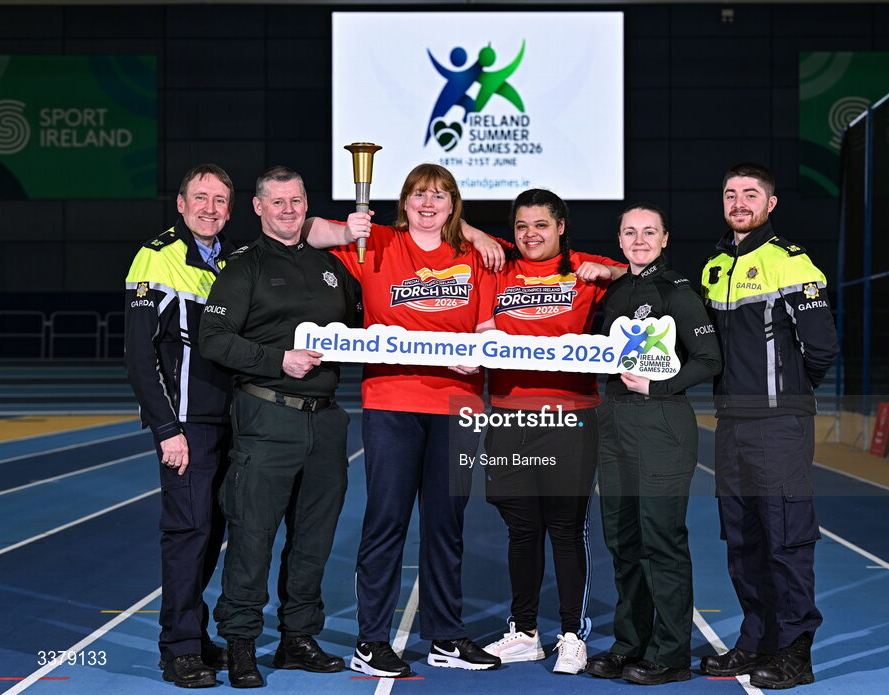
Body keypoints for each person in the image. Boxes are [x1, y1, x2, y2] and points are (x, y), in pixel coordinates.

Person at [304, 164, 501, 677]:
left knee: (446, 525)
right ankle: (372, 641)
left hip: (458, 405)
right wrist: (347, 230)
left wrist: (480, 354)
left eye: (439, 196)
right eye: (419, 194)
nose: (428, 204)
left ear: (454, 204)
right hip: (392, 401)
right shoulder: (376, 243)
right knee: (386, 521)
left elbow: (486, 326)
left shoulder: (474, 255)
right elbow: (304, 230)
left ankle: (446, 637)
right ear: (404, 202)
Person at [198, 166, 358, 689]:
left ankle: (297, 639)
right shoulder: (244, 266)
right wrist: (277, 360)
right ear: (259, 207)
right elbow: (214, 337)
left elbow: (367, 328)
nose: (288, 210)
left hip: (326, 421)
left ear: (306, 205)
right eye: (277, 202)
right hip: (268, 416)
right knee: (253, 535)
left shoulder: (331, 266)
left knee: (314, 538)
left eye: (296, 201)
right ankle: (241, 643)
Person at [699, 163, 839, 689]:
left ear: (770, 203)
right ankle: (756, 640)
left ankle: (795, 651)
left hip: (779, 425)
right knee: (743, 539)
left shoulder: (790, 261)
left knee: (786, 538)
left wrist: (788, 397)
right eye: (730, 194)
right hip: (730, 425)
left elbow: (822, 346)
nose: (739, 202)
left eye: (750, 194)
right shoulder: (714, 267)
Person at [474, 189, 625, 675]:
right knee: (521, 530)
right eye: (521, 226)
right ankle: (524, 633)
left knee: (565, 529)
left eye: (541, 224)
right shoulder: (498, 268)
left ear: (561, 226)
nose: (530, 234)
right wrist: (480, 235)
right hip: (508, 416)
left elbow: (642, 276)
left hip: (570, 417)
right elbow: (450, 230)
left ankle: (572, 635)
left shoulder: (585, 268)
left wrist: (611, 273)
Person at [584, 204, 721, 685]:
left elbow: (709, 359)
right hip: (614, 424)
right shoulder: (615, 292)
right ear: (620, 240)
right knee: (623, 541)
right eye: (630, 232)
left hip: (661, 423)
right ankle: (630, 643)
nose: (639, 240)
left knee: (661, 540)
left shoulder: (677, 291)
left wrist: (657, 386)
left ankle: (671, 653)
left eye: (649, 232)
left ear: (665, 239)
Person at [124, 163, 236, 689]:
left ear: (230, 210)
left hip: (230, 422)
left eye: (219, 200)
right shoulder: (157, 256)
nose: (209, 208)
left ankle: (194, 632)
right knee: (188, 534)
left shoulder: (231, 261)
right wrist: (166, 429)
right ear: (181, 203)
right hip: (187, 425)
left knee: (210, 536)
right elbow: (139, 355)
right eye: (201, 197)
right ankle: (179, 650)